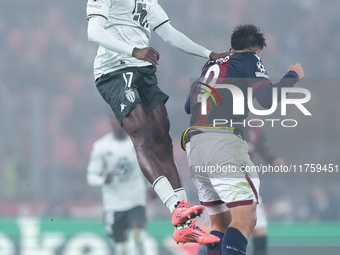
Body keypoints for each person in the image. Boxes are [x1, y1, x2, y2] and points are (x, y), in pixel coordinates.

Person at [86, 0, 226, 244]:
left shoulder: (148, 2)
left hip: (143, 70)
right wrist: (134, 50)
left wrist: (209, 54)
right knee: (141, 134)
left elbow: (170, 34)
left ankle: (185, 224)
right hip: (114, 70)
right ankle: (176, 206)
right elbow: (94, 32)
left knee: (162, 138)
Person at [182, 24, 304, 255]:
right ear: (256, 51)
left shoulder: (211, 63)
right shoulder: (249, 59)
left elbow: (189, 106)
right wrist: (292, 76)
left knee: (219, 224)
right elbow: (266, 99)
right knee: (246, 218)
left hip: (196, 146)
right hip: (223, 143)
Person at [87, 116, 149, 255]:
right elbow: (91, 176)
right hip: (114, 202)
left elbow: (147, 166)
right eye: (115, 120)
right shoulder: (101, 147)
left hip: (135, 197)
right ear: (110, 122)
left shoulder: (138, 142)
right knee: (121, 245)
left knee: (138, 234)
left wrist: (151, 186)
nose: (119, 124)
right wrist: (103, 179)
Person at [245, 126, 285, 255]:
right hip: (225, 184)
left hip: (248, 185)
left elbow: (264, 149)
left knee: (259, 229)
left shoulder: (254, 129)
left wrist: (274, 160)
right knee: (222, 228)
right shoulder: (222, 126)